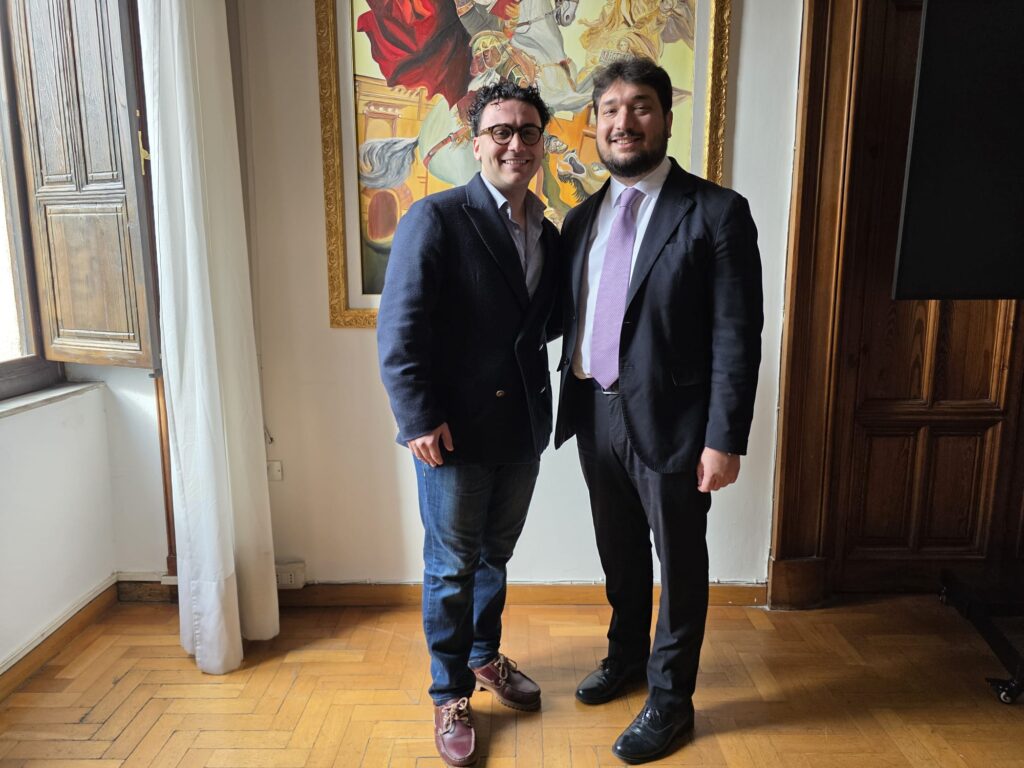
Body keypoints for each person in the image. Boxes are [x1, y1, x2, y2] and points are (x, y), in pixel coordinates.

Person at [554, 57, 763, 764]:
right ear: (595, 125)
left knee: (679, 561)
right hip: (594, 411)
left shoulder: (716, 212)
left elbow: (736, 335)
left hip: (676, 423)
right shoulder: (581, 218)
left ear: (667, 118)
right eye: (610, 110)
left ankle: (672, 702)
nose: (624, 122)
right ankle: (626, 658)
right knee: (618, 551)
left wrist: (724, 438)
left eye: (640, 106)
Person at [377, 81, 559, 768]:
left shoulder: (548, 230)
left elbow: (544, 323)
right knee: (451, 568)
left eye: (529, 132)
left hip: (521, 430)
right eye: (501, 131)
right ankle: (449, 692)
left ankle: (485, 656)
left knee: (494, 558)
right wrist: (418, 417)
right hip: (451, 432)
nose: (516, 144)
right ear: (476, 142)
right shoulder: (436, 217)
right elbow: (400, 330)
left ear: (541, 143)